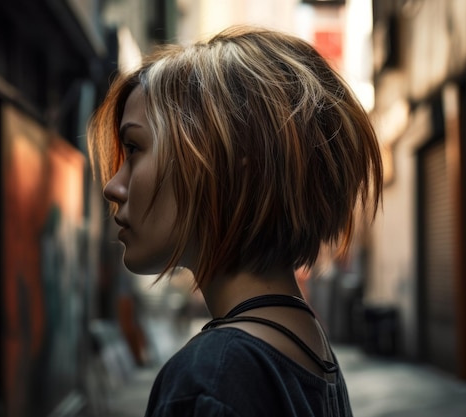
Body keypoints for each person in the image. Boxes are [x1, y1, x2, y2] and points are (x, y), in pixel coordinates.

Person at [88, 26, 382, 417]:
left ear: (232, 166)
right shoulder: (310, 350)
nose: (113, 186)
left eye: (134, 148)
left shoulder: (211, 377)